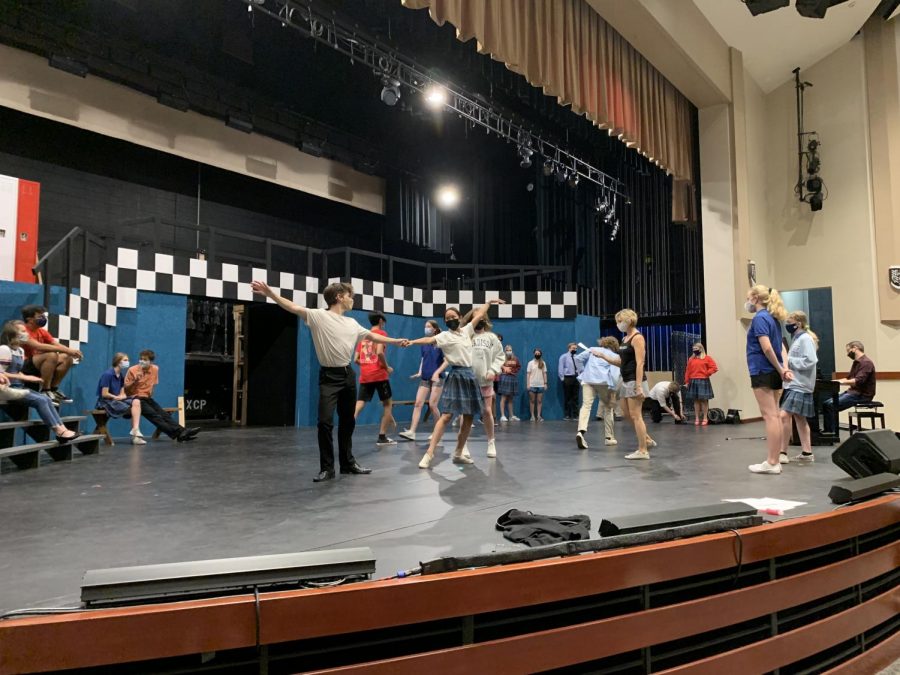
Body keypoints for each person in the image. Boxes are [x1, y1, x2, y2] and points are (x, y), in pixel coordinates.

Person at [251, 280, 405, 482]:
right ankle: (327, 468)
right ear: (340, 297)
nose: (352, 299)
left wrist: (396, 341)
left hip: (347, 375)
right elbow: (293, 306)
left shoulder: (352, 323)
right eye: (350, 295)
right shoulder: (318, 316)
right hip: (329, 377)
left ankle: (348, 464)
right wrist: (270, 294)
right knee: (324, 422)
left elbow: (373, 337)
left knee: (348, 421)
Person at [403, 298, 505, 469]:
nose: (450, 320)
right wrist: (412, 342)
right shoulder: (444, 336)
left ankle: (459, 452)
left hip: (470, 376)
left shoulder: (466, 331)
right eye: (447, 319)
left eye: (453, 317)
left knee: (469, 416)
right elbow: (429, 340)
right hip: (457, 375)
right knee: (447, 416)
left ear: (459, 317)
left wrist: (488, 302)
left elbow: (479, 314)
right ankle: (429, 453)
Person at [0, 320, 80, 441]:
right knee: (40, 400)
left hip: (17, 387)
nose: (25, 333)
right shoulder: (4, 349)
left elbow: (17, 371)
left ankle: (62, 428)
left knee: (46, 398)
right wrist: (26, 377)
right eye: (22, 331)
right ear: (12, 333)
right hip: (5, 389)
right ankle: (59, 430)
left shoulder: (20, 351)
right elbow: (1, 373)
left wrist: (25, 377)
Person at [594, 310, 657, 459]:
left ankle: (643, 451)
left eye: (620, 321)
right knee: (626, 413)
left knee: (636, 416)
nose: (618, 324)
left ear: (628, 321)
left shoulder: (637, 338)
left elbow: (640, 362)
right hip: (625, 379)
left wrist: (639, 385)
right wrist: (603, 356)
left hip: (635, 380)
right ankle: (646, 439)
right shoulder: (625, 338)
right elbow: (621, 362)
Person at [744, 285, 791, 475]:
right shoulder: (773, 320)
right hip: (772, 371)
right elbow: (780, 347)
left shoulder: (761, 319)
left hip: (762, 370)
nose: (747, 301)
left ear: (755, 298)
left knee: (770, 416)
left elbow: (768, 348)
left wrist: (781, 369)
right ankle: (775, 459)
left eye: (748, 297)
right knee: (775, 415)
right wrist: (783, 368)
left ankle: (772, 462)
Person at [125, 349, 201, 445]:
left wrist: (149, 395)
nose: (142, 361)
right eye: (140, 359)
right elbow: (126, 389)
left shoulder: (155, 369)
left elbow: (153, 385)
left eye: (145, 359)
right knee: (155, 416)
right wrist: (135, 380)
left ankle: (183, 431)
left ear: (150, 361)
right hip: (135, 398)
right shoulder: (132, 370)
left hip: (147, 397)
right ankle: (179, 434)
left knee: (163, 414)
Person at [18, 305, 83, 404]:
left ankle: (53, 389)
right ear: (30, 319)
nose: (43, 318)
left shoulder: (42, 331)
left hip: (37, 364)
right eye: (40, 316)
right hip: (23, 366)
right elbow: (38, 346)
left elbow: (55, 344)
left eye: (43, 315)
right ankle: (45, 390)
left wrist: (71, 351)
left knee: (66, 358)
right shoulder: (22, 331)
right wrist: (67, 350)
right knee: (51, 355)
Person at [779, 311, 819, 464]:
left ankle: (783, 451)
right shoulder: (797, 338)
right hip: (794, 383)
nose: (787, 324)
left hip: (800, 384)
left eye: (790, 321)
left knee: (784, 415)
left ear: (799, 323)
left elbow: (810, 360)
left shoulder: (805, 339)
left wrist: (788, 360)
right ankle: (807, 452)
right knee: (800, 418)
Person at [354, 312, 397, 446]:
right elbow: (379, 353)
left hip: (365, 375)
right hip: (379, 374)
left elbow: (356, 359)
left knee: (359, 404)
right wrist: (386, 367)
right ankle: (382, 437)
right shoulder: (382, 334)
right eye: (384, 321)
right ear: (380, 320)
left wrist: (367, 365)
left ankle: (346, 429)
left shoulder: (363, 336)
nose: (384, 324)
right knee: (388, 404)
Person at [399, 320, 445, 441]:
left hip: (437, 378)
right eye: (425, 327)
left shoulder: (441, 341)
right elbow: (423, 359)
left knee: (433, 405)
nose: (426, 329)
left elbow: (447, 360)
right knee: (418, 403)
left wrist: (438, 373)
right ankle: (412, 431)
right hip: (425, 377)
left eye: (429, 327)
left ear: (435, 329)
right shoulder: (423, 343)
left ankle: (437, 432)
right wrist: (420, 372)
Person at [469, 314, 505, 458]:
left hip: (486, 380)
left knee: (487, 411)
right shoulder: (467, 335)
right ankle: (463, 444)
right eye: (476, 317)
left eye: (482, 318)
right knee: (466, 413)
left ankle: (491, 442)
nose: (479, 320)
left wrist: (493, 370)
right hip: (468, 379)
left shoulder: (492, 337)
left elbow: (500, 356)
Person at [575, 336, 620, 449]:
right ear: (615, 346)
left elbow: (578, 359)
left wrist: (582, 371)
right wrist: (613, 389)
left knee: (586, 406)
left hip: (587, 380)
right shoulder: (615, 356)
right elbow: (614, 375)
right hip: (603, 383)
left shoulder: (592, 349)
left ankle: (581, 432)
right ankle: (609, 438)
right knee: (608, 409)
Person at [823, 341, 876, 433]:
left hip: (862, 395)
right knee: (826, 403)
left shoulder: (866, 363)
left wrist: (842, 382)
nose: (847, 354)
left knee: (831, 405)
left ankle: (831, 433)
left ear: (854, 348)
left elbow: (858, 381)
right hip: (853, 392)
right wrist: (835, 381)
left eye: (848, 351)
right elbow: (849, 378)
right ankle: (828, 432)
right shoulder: (857, 362)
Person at [95, 352, 146, 445]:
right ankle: (135, 435)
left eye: (128, 360)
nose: (127, 362)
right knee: (132, 409)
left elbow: (122, 393)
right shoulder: (108, 374)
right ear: (118, 362)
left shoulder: (121, 376)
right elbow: (104, 394)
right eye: (125, 360)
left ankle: (135, 431)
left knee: (137, 401)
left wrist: (122, 396)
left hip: (116, 399)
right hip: (106, 401)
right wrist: (116, 397)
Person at [684, 342, 718, 425]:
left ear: (701, 349)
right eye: (693, 349)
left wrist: (707, 373)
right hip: (693, 380)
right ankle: (696, 418)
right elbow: (688, 371)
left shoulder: (707, 358)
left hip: (703, 380)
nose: (694, 350)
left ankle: (705, 418)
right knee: (696, 401)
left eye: (696, 349)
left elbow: (714, 368)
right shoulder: (691, 359)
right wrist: (687, 381)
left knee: (704, 400)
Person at [498, 345, 521, 422]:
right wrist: (504, 369)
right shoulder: (502, 358)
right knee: (503, 398)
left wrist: (513, 371)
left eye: (510, 350)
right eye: (507, 350)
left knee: (511, 398)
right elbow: (498, 366)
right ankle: (502, 415)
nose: (509, 351)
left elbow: (518, 366)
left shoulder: (515, 358)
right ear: (505, 351)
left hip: (512, 378)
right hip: (504, 378)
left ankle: (511, 416)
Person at [526, 349, 548, 421]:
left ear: (541, 354)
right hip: (532, 385)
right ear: (534, 354)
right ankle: (532, 416)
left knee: (539, 401)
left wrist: (545, 383)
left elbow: (544, 374)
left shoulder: (543, 363)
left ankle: (538, 416)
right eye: (536, 353)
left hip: (541, 385)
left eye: (539, 353)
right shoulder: (530, 363)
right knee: (532, 401)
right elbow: (528, 374)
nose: (537, 354)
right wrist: (528, 384)